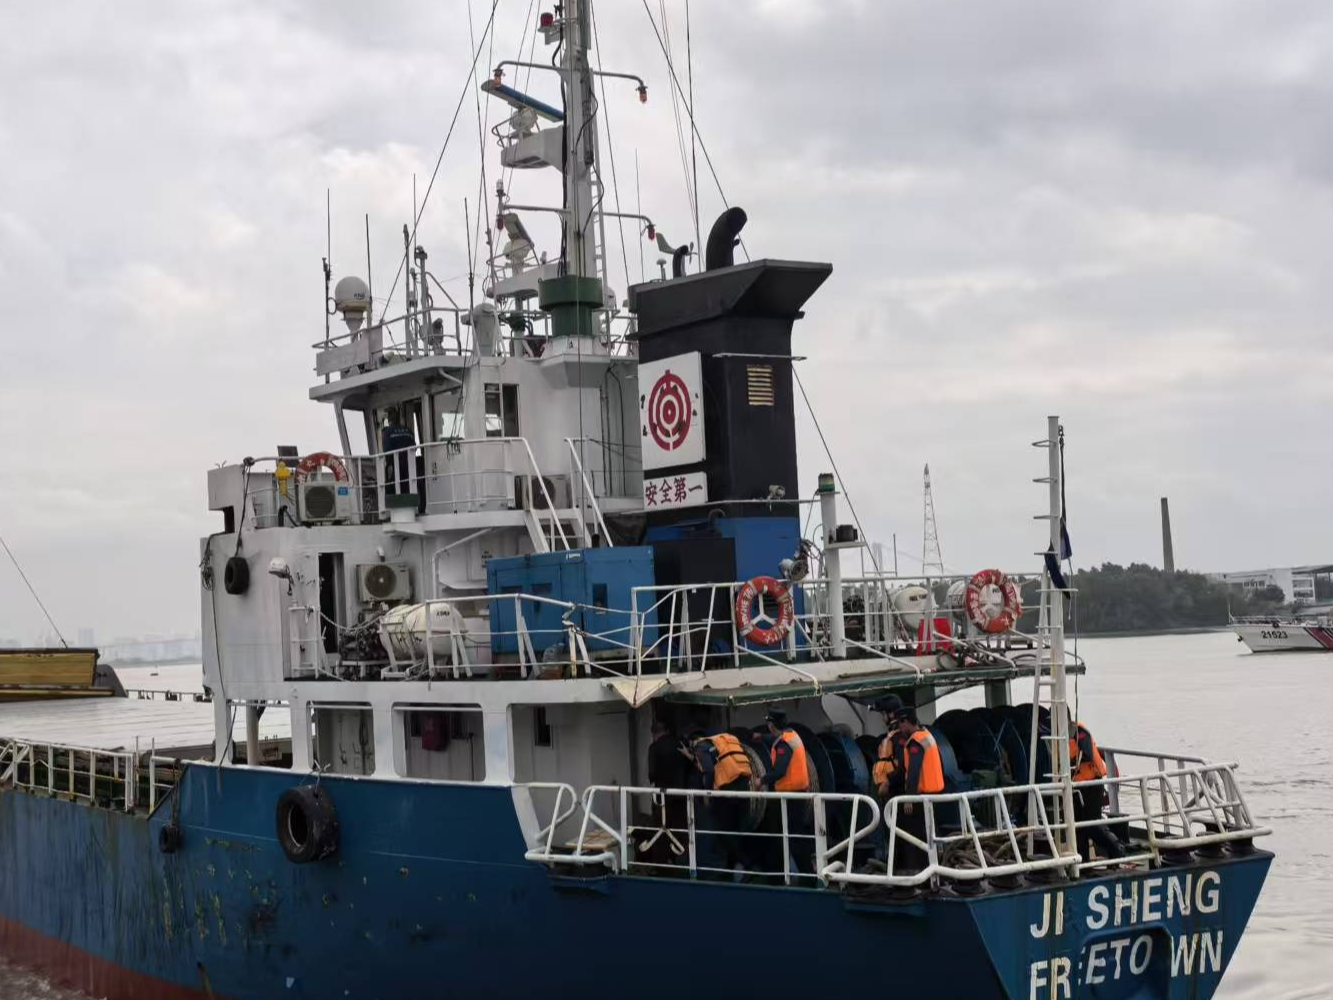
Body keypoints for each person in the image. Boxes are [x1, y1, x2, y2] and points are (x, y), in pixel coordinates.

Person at [689, 730, 754, 872]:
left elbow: (709, 770)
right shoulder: (720, 741)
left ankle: (747, 865)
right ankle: (733, 866)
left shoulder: (700, 746)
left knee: (724, 830)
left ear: (692, 741)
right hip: (743, 785)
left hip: (727, 790)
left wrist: (707, 793)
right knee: (738, 828)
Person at [757, 709, 813, 875]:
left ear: (772, 725)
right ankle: (802, 873)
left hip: (789, 798)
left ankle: (802, 875)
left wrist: (761, 780)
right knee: (794, 836)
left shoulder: (783, 744)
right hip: (797, 794)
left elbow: (779, 771)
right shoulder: (791, 735)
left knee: (791, 838)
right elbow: (775, 738)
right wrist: (760, 737)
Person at [891, 707, 944, 875]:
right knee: (929, 835)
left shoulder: (916, 742)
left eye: (900, 724)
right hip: (935, 795)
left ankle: (917, 871)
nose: (899, 729)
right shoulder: (927, 735)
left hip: (922, 798)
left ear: (906, 722)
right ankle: (932, 870)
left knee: (916, 836)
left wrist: (909, 798)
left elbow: (913, 772)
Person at [1070, 718, 1124, 861]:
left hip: (1091, 784)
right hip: (1076, 786)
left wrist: (1069, 762)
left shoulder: (1079, 732)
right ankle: (1083, 862)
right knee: (1078, 827)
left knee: (1092, 824)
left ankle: (1117, 848)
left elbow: (1087, 753)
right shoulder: (1059, 735)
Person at [871, 695, 906, 800]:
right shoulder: (893, 735)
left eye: (883, 714)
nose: (882, 718)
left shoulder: (899, 736)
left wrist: (888, 782)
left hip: (898, 792)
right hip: (891, 792)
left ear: (891, 714)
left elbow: (903, 764)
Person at [381, 406, 416, 496]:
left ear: (389, 419)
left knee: (393, 489)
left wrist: (389, 467)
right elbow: (414, 448)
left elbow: (387, 451)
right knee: (407, 489)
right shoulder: (408, 431)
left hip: (396, 468)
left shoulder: (388, 432)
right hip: (410, 467)